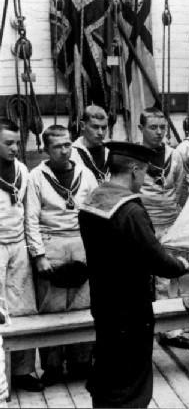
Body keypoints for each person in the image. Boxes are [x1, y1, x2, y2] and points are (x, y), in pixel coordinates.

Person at [79, 141, 188, 408]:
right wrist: (181, 264)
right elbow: (158, 261)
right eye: (145, 173)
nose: (144, 180)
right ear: (135, 170)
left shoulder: (92, 201)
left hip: (103, 304)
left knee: (107, 369)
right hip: (130, 309)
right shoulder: (130, 210)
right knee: (131, 381)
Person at [25, 125, 99, 385]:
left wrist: (95, 250)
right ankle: (53, 367)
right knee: (52, 307)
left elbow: (95, 213)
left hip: (80, 242)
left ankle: (81, 362)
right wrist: (39, 256)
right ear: (46, 149)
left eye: (68, 144)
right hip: (51, 243)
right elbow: (30, 219)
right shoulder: (36, 177)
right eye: (58, 146)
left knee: (82, 304)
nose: (65, 150)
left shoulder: (85, 174)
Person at [136, 108, 189, 349]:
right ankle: (142, 329)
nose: (159, 132)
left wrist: (170, 213)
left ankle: (171, 330)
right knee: (140, 280)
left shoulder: (175, 156)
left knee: (169, 279)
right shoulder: (134, 157)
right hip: (143, 226)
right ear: (141, 129)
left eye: (162, 128)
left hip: (170, 223)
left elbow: (178, 189)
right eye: (153, 127)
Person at [0, 118, 42, 392]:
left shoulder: (22, 171)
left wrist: (32, 249)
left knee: (24, 308)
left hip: (18, 247)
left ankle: (24, 371)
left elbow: (28, 214)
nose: (15, 147)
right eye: (8, 143)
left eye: (18, 142)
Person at [71, 105, 109, 183]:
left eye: (104, 128)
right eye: (95, 127)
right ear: (82, 125)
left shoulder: (111, 151)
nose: (100, 133)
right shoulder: (72, 154)